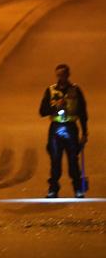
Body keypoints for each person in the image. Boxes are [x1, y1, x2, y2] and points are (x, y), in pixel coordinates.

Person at [39, 64, 88, 198]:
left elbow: (82, 112)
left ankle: (78, 189)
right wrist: (54, 107)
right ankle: (53, 189)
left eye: (63, 75)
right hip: (55, 128)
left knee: (73, 160)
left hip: (71, 128)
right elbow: (42, 112)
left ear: (68, 75)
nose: (61, 78)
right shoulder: (51, 91)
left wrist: (84, 133)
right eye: (58, 75)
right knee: (55, 160)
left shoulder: (75, 90)